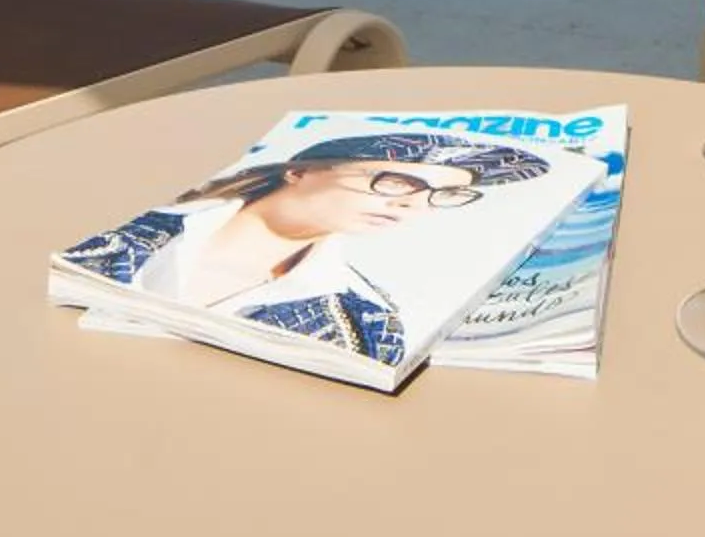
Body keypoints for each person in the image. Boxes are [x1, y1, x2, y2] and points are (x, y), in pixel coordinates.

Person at [62, 131, 549, 365]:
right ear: (300, 170)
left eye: (436, 196)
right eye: (397, 182)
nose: (411, 207)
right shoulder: (137, 230)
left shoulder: (362, 320)